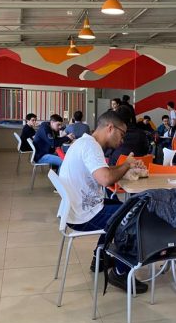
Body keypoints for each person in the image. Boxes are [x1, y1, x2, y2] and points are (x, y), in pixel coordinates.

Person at [59, 110, 148, 292]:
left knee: (122, 208)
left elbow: (104, 171)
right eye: (122, 134)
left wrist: (126, 165)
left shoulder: (85, 142)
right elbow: (106, 179)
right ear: (110, 128)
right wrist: (126, 164)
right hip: (83, 215)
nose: (122, 140)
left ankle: (100, 259)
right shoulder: (91, 146)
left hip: (78, 208)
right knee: (135, 216)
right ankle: (121, 273)